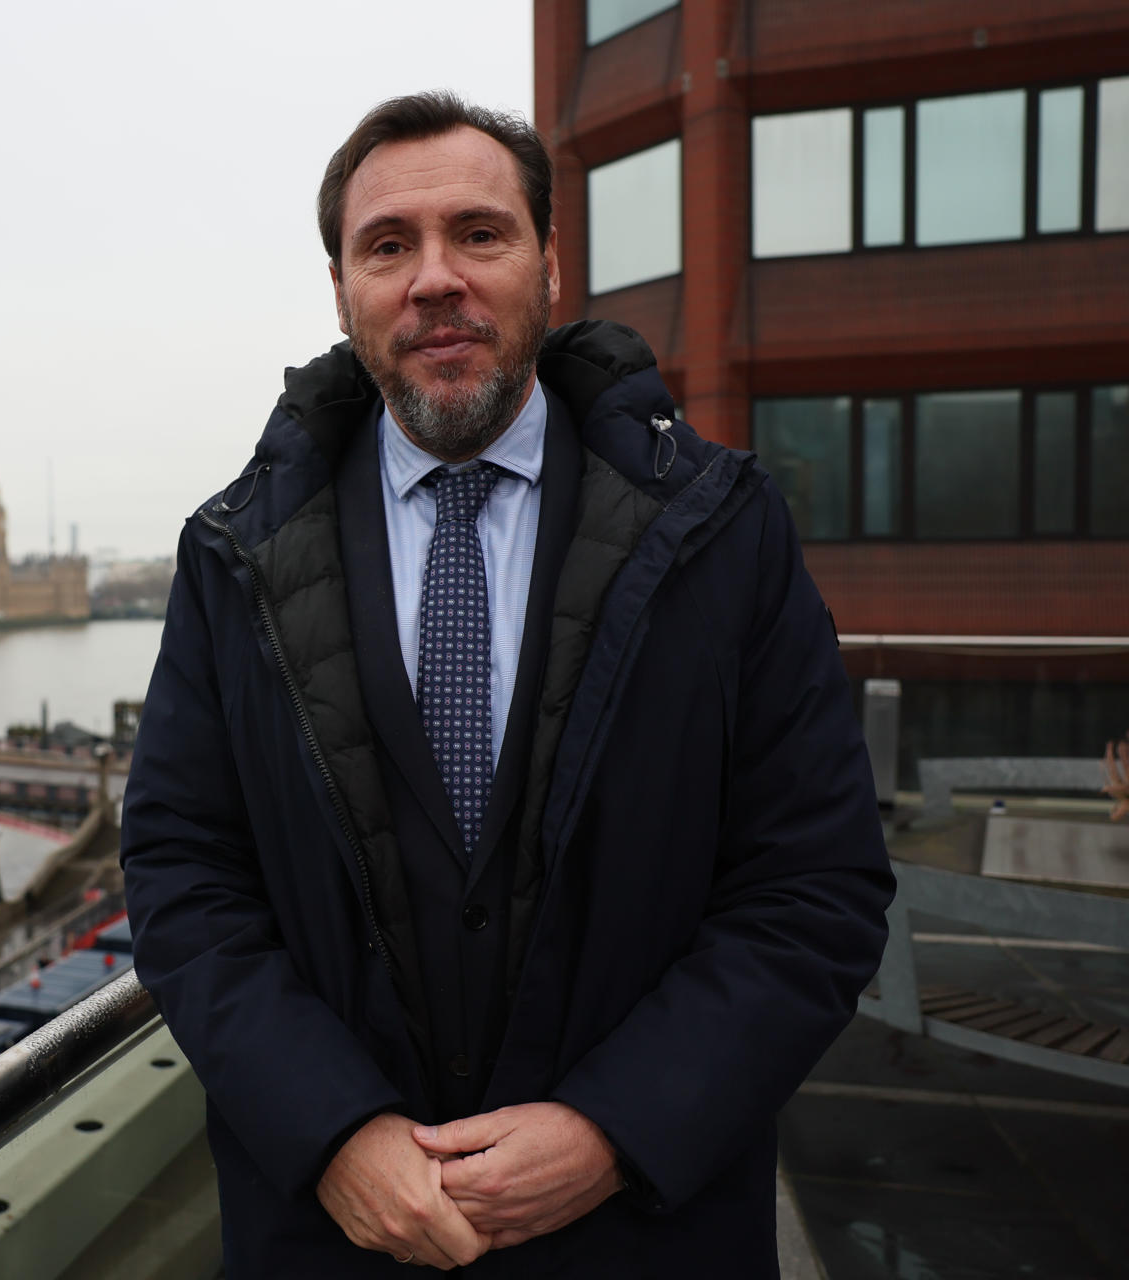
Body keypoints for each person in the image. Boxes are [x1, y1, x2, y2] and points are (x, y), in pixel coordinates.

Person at [120, 91, 895, 1277]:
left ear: (546, 263)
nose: (436, 278)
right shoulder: (232, 556)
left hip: (644, 1235)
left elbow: (816, 881)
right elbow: (184, 879)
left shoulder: (725, 529)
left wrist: (613, 1127)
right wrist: (331, 1130)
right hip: (335, 1239)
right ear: (343, 290)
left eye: (478, 234)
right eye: (390, 246)